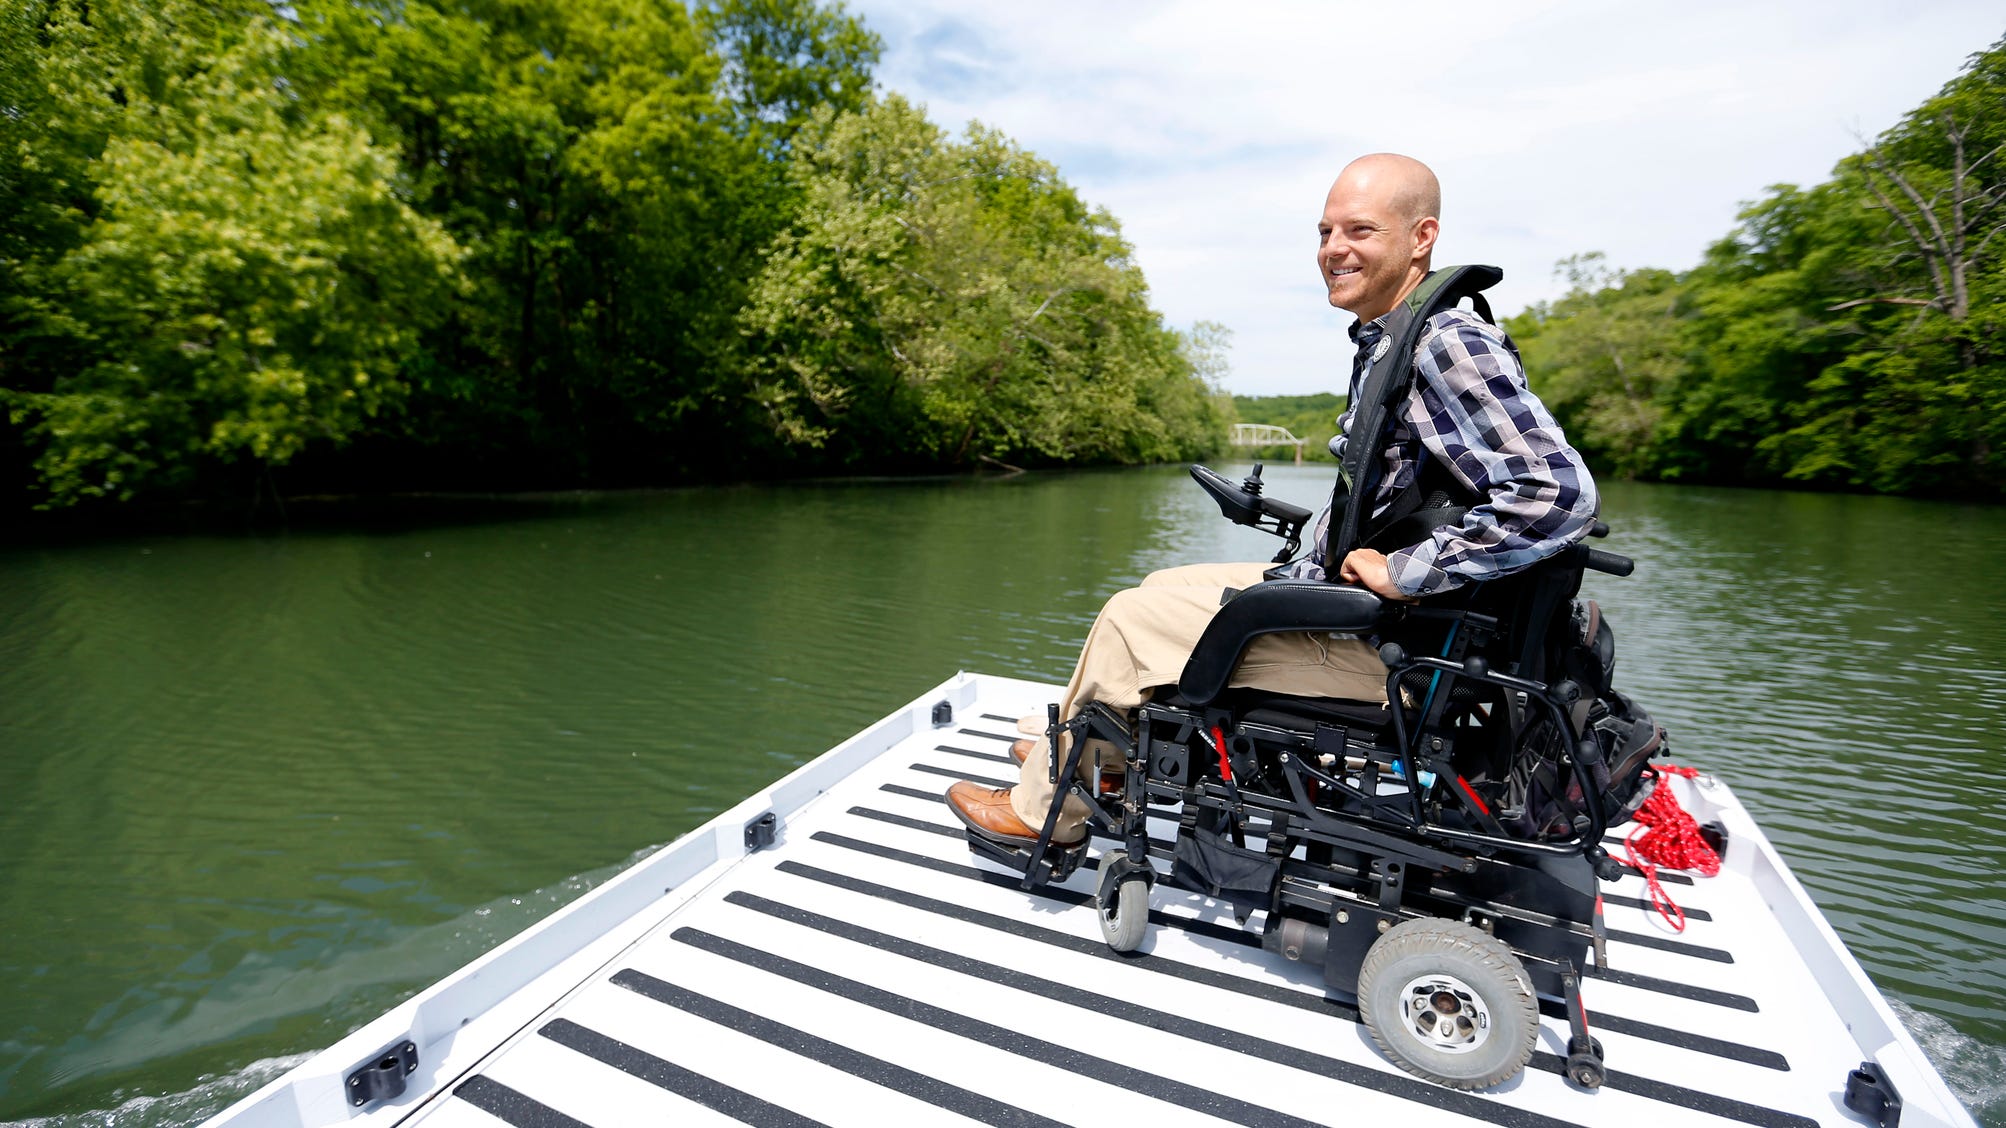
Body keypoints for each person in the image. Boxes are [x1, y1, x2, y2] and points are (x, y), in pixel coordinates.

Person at [944, 153, 1599, 848]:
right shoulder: (1396, 338)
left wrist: (1407, 573)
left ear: (1421, 237)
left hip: (1389, 648)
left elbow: (1558, 493)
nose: (1333, 250)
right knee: (1161, 586)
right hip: (1358, 614)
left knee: (1130, 618)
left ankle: (1051, 812)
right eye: (1324, 232)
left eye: (1360, 231)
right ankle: (1093, 762)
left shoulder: (1448, 344)